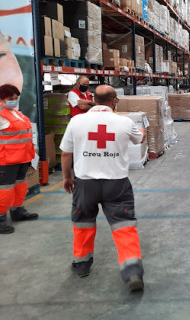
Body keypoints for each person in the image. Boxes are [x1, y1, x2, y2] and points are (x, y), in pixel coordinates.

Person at [60, 85, 146, 292]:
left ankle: (82, 264)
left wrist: (66, 177)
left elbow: (65, 153)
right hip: (117, 184)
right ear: (113, 101)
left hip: (85, 183)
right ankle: (132, 271)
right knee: (124, 226)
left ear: (94, 100)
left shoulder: (76, 121)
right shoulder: (124, 122)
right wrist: (142, 128)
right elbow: (140, 138)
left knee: (83, 223)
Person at [0, 84, 38, 234]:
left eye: (16, 98)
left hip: (22, 158)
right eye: (10, 99)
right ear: (1, 99)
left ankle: (18, 211)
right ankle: (1, 218)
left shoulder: (17, 113)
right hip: (6, 160)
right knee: (4, 190)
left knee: (20, 187)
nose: (14, 101)